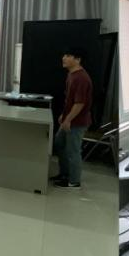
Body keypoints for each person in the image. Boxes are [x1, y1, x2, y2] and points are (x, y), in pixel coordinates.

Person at [52, 47, 94, 189]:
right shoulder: (71, 75)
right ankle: (65, 174)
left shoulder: (81, 78)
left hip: (77, 122)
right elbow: (70, 100)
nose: (64, 58)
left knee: (73, 151)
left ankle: (74, 181)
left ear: (78, 59)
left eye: (68, 55)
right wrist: (64, 115)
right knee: (59, 143)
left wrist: (68, 119)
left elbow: (80, 103)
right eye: (64, 55)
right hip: (69, 118)